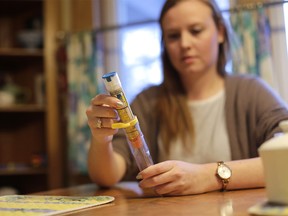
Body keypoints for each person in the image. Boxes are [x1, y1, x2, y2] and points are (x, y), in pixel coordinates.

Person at [86, 0, 288, 196]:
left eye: (196, 31)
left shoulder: (251, 93)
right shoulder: (148, 102)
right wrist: (101, 139)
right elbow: (106, 177)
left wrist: (208, 176)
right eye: (173, 36)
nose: (185, 44)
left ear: (220, 32)